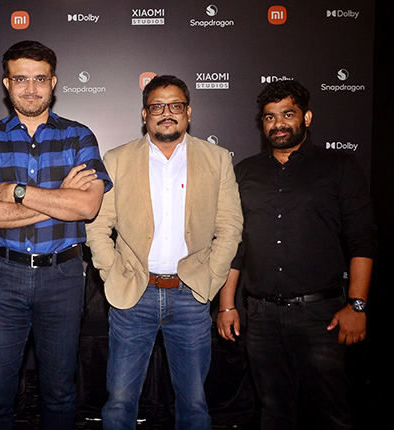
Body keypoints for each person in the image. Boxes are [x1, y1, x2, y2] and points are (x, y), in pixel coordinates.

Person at [0, 40, 111, 430]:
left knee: (60, 392)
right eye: (20, 79)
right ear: (7, 83)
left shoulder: (79, 137)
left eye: (39, 79)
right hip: (2, 276)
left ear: (53, 83)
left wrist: (18, 191)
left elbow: (88, 207)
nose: (30, 88)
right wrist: (60, 197)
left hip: (63, 276)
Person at [85, 75, 243, 430]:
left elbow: (230, 226)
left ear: (188, 112)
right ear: (145, 114)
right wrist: (112, 272)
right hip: (133, 294)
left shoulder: (216, 159)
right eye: (157, 106)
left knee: (194, 403)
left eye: (175, 105)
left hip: (191, 295)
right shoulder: (117, 159)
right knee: (119, 402)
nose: (166, 113)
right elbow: (97, 225)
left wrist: (210, 277)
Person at [217, 80, 376, 430]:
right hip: (261, 316)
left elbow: (361, 240)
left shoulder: (339, 166)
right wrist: (227, 305)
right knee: (274, 413)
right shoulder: (245, 171)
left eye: (287, 114)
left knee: (331, 415)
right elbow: (235, 244)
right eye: (270, 117)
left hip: (322, 316)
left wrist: (357, 305)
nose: (278, 124)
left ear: (306, 117)